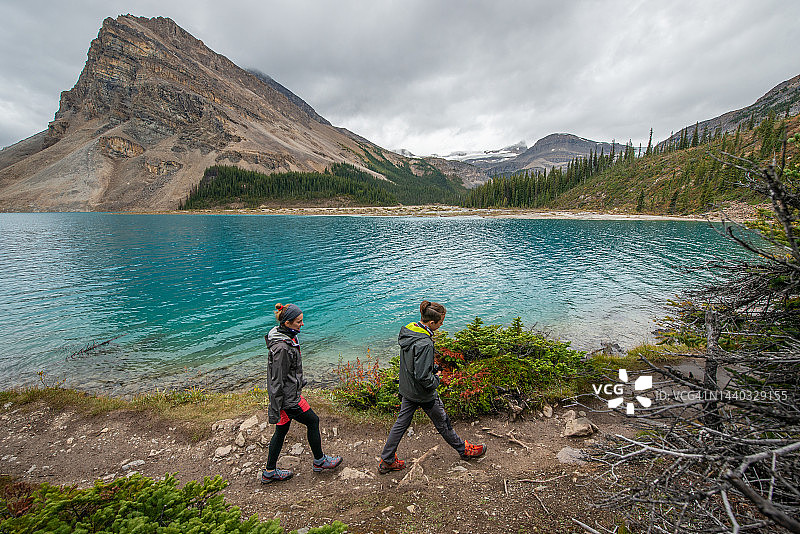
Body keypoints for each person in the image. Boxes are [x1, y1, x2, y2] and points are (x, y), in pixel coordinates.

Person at [378, 300, 486, 474]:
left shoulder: (410, 331)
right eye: (441, 322)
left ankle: (387, 459)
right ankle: (464, 450)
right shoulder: (425, 343)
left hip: (408, 389)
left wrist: (430, 368)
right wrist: (435, 379)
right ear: (431, 323)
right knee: (443, 422)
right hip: (423, 393)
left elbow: (412, 365)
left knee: (401, 424)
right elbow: (422, 376)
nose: (442, 325)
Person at [262, 303, 342, 483]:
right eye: (299, 321)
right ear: (288, 322)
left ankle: (269, 472)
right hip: (289, 399)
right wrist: (278, 405)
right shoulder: (281, 348)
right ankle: (319, 461)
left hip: (288, 395)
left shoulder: (286, 336)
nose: (302, 324)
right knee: (313, 421)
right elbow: (277, 380)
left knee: (281, 430)